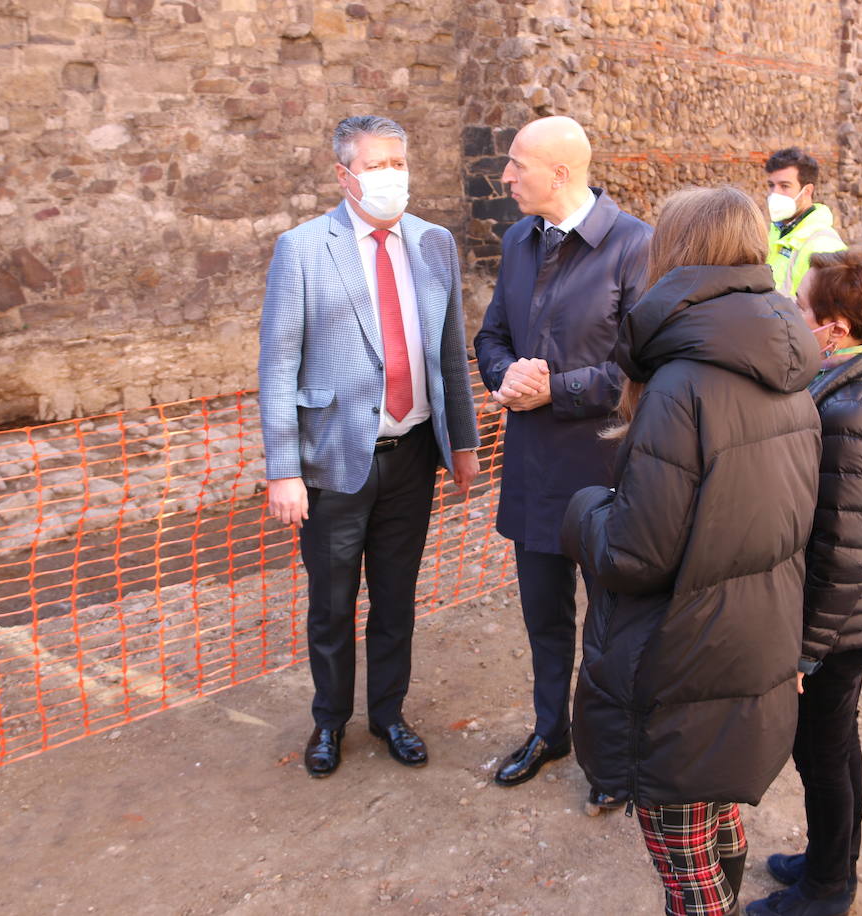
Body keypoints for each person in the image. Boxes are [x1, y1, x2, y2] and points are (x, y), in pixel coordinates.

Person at [563, 187, 822, 916]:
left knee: (682, 850)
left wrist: (583, 510)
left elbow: (634, 555)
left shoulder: (682, 382)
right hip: (754, 637)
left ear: (672, 255)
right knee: (716, 813)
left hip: (684, 652)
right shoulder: (785, 361)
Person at [258, 115, 480, 777]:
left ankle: (389, 714)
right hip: (333, 462)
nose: (392, 176)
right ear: (343, 175)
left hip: (411, 456)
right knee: (331, 604)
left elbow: (448, 354)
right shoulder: (303, 249)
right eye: (377, 165)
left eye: (398, 163)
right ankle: (330, 722)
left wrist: (462, 442)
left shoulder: (433, 243)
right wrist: (283, 471)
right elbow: (276, 365)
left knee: (395, 597)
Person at [473, 116, 652, 812]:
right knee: (544, 617)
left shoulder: (635, 246)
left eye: (517, 165)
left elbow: (642, 368)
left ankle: (615, 758)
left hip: (606, 471)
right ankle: (552, 733)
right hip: (533, 470)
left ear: (559, 174)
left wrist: (559, 387)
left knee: (611, 626)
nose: (506, 176)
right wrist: (504, 376)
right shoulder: (519, 240)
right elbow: (492, 334)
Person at [746, 249, 862, 916]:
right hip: (854, 611)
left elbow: (841, 548)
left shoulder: (851, 412)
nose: (793, 312)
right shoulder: (853, 382)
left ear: (835, 327)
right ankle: (829, 860)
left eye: (803, 307)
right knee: (835, 746)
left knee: (821, 752)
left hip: (840, 623)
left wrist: (807, 649)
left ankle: (828, 889)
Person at [764, 147, 847, 297]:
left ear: (807, 191)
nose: (774, 194)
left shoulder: (824, 245)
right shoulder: (776, 233)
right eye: (771, 185)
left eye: (784, 186)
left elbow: (826, 310)